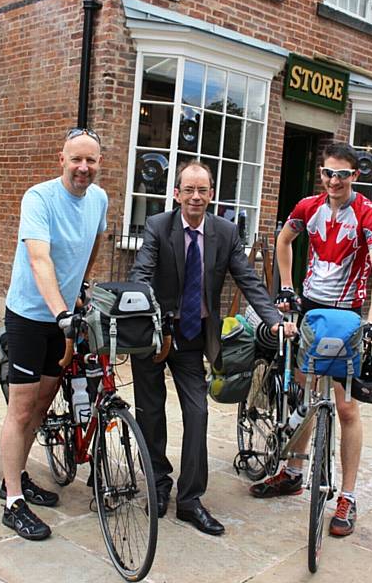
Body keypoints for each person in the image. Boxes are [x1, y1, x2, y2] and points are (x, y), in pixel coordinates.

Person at [129, 160, 297, 536]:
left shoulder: (225, 231)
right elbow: (141, 273)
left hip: (191, 337)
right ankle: (158, 484)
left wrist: (272, 319)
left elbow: (249, 279)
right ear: (176, 194)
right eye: (188, 190)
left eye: (202, 190)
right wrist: (141, 307)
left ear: (212, 194)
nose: (195, 197)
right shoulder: (159, 226)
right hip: (154, 334)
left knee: (198, 413)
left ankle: (190, 500)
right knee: (151, 412)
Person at [249, 142, 372, 539]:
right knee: (303, 395)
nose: (333, 181)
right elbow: (283, 241)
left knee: (345, 408)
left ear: (355, 176)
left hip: (347, 313)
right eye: (328, 173)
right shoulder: (307, 207)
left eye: (342, 174)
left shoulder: (368, 213)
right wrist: (288, 287)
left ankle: (347, 496)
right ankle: (292, 472)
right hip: (310, 308)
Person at [0, 127, 108, 540]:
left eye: (91, 160)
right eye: (76, 159)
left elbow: (95, 241)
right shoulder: (39, 198)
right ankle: (12, 502)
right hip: (30, 314)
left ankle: (16, 475)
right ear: (61, 160)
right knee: (22, 408)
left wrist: (80, 287)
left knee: (44, 403)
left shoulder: (98, 198)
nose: (84, 167)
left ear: (99, 164)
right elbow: (39, 258)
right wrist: (60, 308)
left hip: (62, 317)